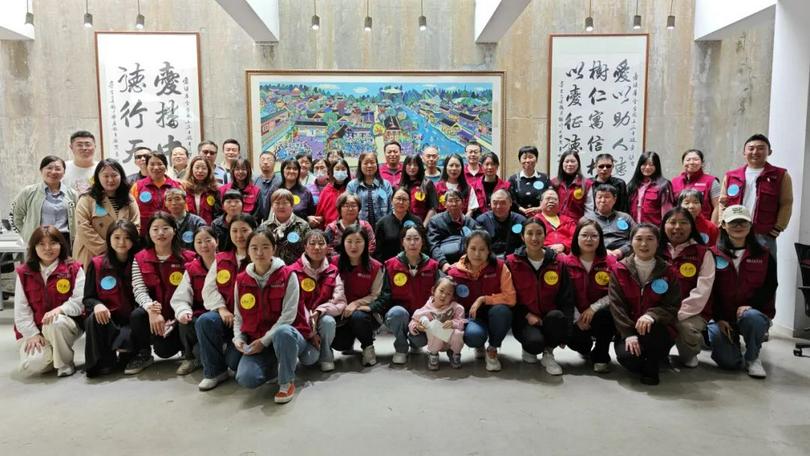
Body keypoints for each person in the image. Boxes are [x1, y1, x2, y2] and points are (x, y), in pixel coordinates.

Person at [231, 229, 318, 404]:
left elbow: (288, 316)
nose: (259, 252)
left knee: (284, 332)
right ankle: (278, 364)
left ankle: (286, 382)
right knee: (246, 378)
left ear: (274, 249)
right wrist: (238, 338)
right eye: (254, 248)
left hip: (290, 336)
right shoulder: (241, 280)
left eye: (265, 247)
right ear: (247, 250)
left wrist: (264, 341)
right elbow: (238, 316)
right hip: (258, 340)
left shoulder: (288, 275)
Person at [707, 205, 776, 378]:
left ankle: (753, 358)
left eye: (743, 222)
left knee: (752, 317)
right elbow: (708, 290)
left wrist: (751, 306)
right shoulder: (712, 254)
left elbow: (770, 286)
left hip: (751, 312)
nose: (738, 226)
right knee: (730, 363)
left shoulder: (764, 254)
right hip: (722, 317)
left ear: (750, 225)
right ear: (723, 225)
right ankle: (729, 345)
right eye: (733, 222)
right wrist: (718, 316)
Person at [609, 223, 681, 385]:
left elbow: (672, 305)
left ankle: (652, 364)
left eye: (650, 239)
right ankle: (647, 358)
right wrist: (628, 333)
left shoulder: (668, 271)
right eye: (639, 239)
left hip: (658, 330)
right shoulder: (619, 269)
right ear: (631, 242)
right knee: (630, 360)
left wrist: (652, 315)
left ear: (658, 242)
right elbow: (617, 305)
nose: (644, 244)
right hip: (629, 328)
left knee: (653, 331)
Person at [126, 212, 195, 374]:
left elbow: (193, 291)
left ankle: (190, 354)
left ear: (174, 230)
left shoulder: (188, 258)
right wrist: (151, 309)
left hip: (180, 313)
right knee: (138, 316)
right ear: (148, 232)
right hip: (157, 315)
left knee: (189, 317)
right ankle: (143, 354)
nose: (160, 233)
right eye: (155, 229)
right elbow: (139, 289)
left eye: (165, 228)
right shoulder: (140, 258)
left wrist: (179, 314)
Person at [505, 219, 574, 375]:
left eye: (539, 233)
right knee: (534, 344)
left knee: (557, 317)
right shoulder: (511, 262)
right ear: (522, 237)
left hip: (551, 317)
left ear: (545, 235)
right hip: (524, 319)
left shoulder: (559, 262)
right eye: (529, 233)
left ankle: (548, 353)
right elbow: (508, 297)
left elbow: (567, 298)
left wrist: (566, 333)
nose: (534, 238)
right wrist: (526, 315)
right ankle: (531, 347)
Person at [14, 227, 84, 377]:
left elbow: (80, 301)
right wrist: (32, 334)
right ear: (33, 247)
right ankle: (52, 352)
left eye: (53, 243)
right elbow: (21, 309)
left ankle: (64, 364)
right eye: (41, 244)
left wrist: (60, 310)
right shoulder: (24, 272)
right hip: (35, 330)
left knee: (54, 322)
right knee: (34, 365)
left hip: (65, 325)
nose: (47, 248)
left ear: (61, 245)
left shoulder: (74, 268)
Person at [196, 215, 256, 391]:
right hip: (227, 316)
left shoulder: (259, 255)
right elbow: (209, 289)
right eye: (235, 231)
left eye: (244, 230)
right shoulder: (222, 259)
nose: (239, 235)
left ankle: (234, 353)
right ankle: (214, 372)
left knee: (235, 363)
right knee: (206, 320)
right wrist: (221, 309)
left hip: (250, 322)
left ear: (253, 230)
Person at [447, 230, 516, 372]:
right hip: (470, 317)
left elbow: (511, 298)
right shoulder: (454, 272)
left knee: (503, 311)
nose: (477, 254)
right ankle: (479, 345)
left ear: (489, 250)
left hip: (493, 312)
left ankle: (492, 349)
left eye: (482, 249)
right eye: (472, 249)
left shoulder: (500, 267)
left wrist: (484, 299)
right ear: (466, 248)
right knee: (474, 337)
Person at [373, 224, 439, 364]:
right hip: (399, 315)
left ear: (423, 241)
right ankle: (401, 348)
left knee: (419, 341)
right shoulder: (391, 264)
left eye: (416, 239)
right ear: (402, 242)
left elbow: (438, 298)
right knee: (397, 313)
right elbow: (385, 294)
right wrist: (374, 310)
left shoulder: (433, 266)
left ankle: (414, 343)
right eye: (408, 239)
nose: (412, 243)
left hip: (422, 317)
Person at [83, 220, 141, 377]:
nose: (122, 242)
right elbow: (88, 298)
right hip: (108, 318)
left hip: (132, 319)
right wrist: (97, 305)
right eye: (116, 237)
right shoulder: (96, 264)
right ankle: (102, 362)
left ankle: (133, 353)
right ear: (109, 239)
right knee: (93, 318)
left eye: (127, 238)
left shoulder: (140, 261)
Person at [720, 133, 793, 257]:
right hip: (734, 230)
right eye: (751, 148)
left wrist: (777, 229)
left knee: (764, 271)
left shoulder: (780, 175)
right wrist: (722, 224)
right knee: (731, 269)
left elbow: (786, 203)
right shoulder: (731, 175)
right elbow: (722, 202)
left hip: (763, 233)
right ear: (744, 152)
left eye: (760, 148)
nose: (755, 152)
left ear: (769, 151)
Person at [659, 207, 714, 368]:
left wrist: (677, 313)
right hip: (659, 309)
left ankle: (689, 352)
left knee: (685, 328)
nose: (677, 227)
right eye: (672, 222)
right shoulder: (655, 249)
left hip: (692, 312)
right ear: (663, 225)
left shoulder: (703, 253)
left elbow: (703, 291)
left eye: (683, 223)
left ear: (692, 226)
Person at [560, 219, 617, 373]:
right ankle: (586, 350)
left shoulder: (610, 262)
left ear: (600, 239)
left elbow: (615, 293)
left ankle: (601, 356)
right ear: (576, 237)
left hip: (600, 313)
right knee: (580, 344)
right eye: (584, 235)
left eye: (594, 236)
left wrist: (594, 308)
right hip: (575, 317)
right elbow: (563, 295)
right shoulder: (564, 262)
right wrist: (577, 317)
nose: (589, 240)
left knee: (607, 315)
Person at [287, 230, 347, 372]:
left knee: (328, 321)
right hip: (300, 321)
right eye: (312, 243)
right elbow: (292, 304)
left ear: (327, 247)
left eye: (321, 243)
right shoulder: (292, 271)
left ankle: (326, 354)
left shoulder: (333, 271)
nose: (317, 247)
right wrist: (310, 331)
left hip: (320, 318)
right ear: (305, 247)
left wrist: (321, 311)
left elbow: (340, 302)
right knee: (309, 360)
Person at [331, 226, 384, 367]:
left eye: (358, 241)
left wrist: (356, 304)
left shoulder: (376, 266)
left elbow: (376, 295)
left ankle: (368, 346)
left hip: (365, 314)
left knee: (358, 317)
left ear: (366, 243)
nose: (353, 246)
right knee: (340, 344)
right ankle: (351, 337)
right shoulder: (333, 263)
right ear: (343, 243)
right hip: (340, 313)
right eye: (349, 241)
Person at [168, 226, 218, 376]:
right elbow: (181, 297)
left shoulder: (227, 264)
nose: (204, 245)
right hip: (200, 315)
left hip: (222, 314)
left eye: (208, 240)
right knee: (184, 319)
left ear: (217, 242)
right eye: (199, 241)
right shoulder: (191, 268)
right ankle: (190, 358)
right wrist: (183, 311)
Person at [72, 159, 140, 268]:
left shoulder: (129, 198)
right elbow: (83, 227)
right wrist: (107, 249)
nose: (110, 179)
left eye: (114, 175)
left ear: (121, 176)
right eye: (105, 176)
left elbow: (135, 225)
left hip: (122, 252)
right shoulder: (87, 199)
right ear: (98, 177)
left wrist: (121, 247)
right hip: (91, 252)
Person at [11, 155, 78, 248]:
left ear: (64, 172)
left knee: (64, 263)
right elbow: (15, 216)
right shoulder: (28, 192)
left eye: (58, 169)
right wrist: (26, 234)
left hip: (64, 241)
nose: (53, 172)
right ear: (41, 170)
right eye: (49, 168)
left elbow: (78, 220)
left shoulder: (72, 194)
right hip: (38, 240)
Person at [409, 277, 466, 370]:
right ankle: (433, 355)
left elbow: (462, 322)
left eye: (448, 294)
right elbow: (413, 322)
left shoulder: (457, 308)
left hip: (450, 340)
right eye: (441, 291)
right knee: (433, 328)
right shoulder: (426, 309)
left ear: (452, 297)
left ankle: (455, 354)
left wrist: (453, 323)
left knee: (458, 334)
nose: (443, 296)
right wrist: (417, 327)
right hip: (434, 341)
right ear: (433, 290)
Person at [427, 190, 481, 272]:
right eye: (450, 201)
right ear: (444, 204)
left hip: (468, 264)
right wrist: (443, 263)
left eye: (457, 200)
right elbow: (434, 246)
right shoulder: (435, 221)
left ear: (463, 203)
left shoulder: (470, 222)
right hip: (445, 264)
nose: (454, 204)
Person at [131, 152, 182, 235]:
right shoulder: (137, 186)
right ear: (147, 167)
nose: (156, 167)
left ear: (165, 166)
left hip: (171, 233)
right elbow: (132, 213)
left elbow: (184, 211)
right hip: (145, 234)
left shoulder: (177, 186)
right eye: (152, 164)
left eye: (160, 164)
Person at [259, 189, 311, 265]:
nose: (281, 206)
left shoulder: (303, 225)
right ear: (272, 206)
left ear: (292, 205)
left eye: (285, 203)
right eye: (277, 203)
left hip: (296, 270)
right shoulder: (265, 226)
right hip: (270, 270)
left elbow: (308, 251)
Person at [585, 184, 636, 259]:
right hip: (597, 256)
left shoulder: (625, 217)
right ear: (595, 199)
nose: (602, 200)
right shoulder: (587, 219)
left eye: (607, 197)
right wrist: (601, 251)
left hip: (625, 256)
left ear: (614, 199)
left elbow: (637, 237)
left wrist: (621, 251)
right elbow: (582, 241)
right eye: (599, 197)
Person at [671, 149, 720, 223]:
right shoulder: (675, 181)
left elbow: (717, 207)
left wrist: (712, 228)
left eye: (695, 159)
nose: (691, 162)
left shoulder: (711, 181)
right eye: (688, 160)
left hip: (703, 226)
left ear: (702, 163)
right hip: (680, 225)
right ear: (683, 163)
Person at [373, 187, 421, 262]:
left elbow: (424, 246)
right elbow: (377, 252)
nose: (401, 202)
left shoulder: (417, 221)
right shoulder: (382, 223)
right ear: (391, 201)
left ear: (409, 203)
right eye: (398, 198)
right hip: (389, 266)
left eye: (404, 199)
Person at [346, 152, 393, 228]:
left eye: (372, 162)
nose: (369, 166)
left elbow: (391, 208)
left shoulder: (385, 184)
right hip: (359, 229)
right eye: (365, 163)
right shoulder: (352, 185)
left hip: (383, 227)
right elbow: (348, 208)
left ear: (377, 164)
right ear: (360, 165)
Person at [627, 151, 674, 226]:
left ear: (657, 166)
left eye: (651, 164)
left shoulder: (664, 185)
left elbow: (667, 213)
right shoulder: (632, 185)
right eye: (644, 164)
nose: (647, 167)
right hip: (635, 230)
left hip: (654, 230)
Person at [475, 189, 525, 258]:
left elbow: (525, 245)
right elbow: (478, 245)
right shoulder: (482, 221)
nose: (498, 206)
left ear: (510, 203)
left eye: (503, 203)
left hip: (515, 259)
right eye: (495, 203)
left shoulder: (520, 221)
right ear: (490, 204)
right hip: (488, 260)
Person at [508, 146, 551, 217]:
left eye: (531, 157)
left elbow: (550, 197)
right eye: (524, 158)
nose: (527, 160)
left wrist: (539, 208)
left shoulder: (544, 178)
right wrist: (522, 210)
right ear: (520, 160)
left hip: (540, 217)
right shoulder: (513, 179)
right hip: (518, 218)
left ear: (536, 159)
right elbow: (510, 199)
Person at [435, 154, 483, 218]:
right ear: (446, 167)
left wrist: (462, 222)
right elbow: (433, 210)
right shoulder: (436, 187)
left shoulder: (468, 188)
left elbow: (471, 210)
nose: (454, 168)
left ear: (462, 168)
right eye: (451, 165)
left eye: (457, 166)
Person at [399, 154, 438, 225]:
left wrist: (423, 227)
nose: (412, 167)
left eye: (415, 165)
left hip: (422, 225)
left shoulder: (427, 184)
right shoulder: (400, 185)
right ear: (405, 166)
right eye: (409, 164)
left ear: (420, 167)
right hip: (403, 226)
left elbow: (432, 208)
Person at [534, 189, 577, 254]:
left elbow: (576, 237)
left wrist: (564, 246)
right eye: (548, 198)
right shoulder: (535, 221)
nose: (551, 201)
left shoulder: (568, 221)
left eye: (555, 199)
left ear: (559, 203)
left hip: (567, 255)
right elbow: (532, 240)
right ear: (540, 203)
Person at [182, 155, 221, 225]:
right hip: (188, 228)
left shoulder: (214, 190)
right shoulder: (184, 188)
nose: (200, 171)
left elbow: (218, 213)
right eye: (197, 168)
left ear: (208, 171)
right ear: (191, 169)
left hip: (208, 228)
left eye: (204, 168)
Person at [552, 151, 591, 221]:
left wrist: (583, 224)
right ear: (562, 164)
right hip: (556, 223)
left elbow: (590, 209)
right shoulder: (554, 182)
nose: (569, 164)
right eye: (566, 161)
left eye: (573, 161)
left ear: (578, 163)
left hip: (577, 224)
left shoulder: (587, 184)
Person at [314, 158, 351, 228]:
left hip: (349, 230)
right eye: (337, 169)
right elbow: (319, 214)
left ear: (347, 172)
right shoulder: (326, 191)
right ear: (332, 172)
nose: (340, 171)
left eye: (343, 169)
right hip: (329, 230)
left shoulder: (351, 189)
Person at [254, 151, 282, 222]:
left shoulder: (281, 181)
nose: (265, 162)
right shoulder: (254, 181)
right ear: (259, 163)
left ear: (274, 163)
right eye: (262, 160)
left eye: (269, 159)